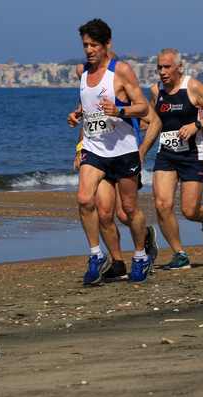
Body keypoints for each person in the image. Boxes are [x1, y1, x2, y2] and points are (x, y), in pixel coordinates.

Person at [68, 19, 153, 285]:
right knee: (86, 200)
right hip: (95, 149)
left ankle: (140, 256)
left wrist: (120, 110)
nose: (89, 50)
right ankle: (96, 254)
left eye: (94, 45)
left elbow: (143, 108)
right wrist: (77, 114)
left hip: (123, 151)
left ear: (107, 45)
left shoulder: (121, 71)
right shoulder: (82, 72)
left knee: (128, 210)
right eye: (85, 45)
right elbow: (88, 105)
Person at [141, 48, 203, 270]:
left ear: (178, 68)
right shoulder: (156, 90)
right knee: (162, 204)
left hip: (194, 154)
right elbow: (152, 121)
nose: (162, 72)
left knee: (189, 210)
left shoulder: (192, 86)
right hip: (166, 153)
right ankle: (180, 254)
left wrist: (196, 125)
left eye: (167, 67)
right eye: (159, 67)